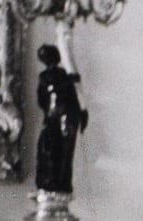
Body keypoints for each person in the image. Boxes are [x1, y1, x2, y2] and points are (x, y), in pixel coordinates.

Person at [35, 44, 87, 194]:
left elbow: (42, 100)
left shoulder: (46, 77)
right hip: (67, 118)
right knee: (63, 152)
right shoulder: (67, 76)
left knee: (52, 150)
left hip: (56, 117)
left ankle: (53, 183)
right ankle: (59, 183)